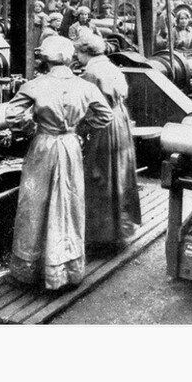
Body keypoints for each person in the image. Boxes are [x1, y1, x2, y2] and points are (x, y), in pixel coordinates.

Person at [4, 36, 113, 291]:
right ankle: (65, 270)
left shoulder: (36, 84)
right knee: (68, 202)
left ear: (46, 58)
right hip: (70, 145)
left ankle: (30, 270)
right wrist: (81, 128)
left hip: (43, 145)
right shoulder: (84, 86)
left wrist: (31, 128)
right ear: (69, 57)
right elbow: (105, 116)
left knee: (35, 203)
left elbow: (12, 115)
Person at [75, 34, 142, 253]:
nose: (76, 57)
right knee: (119, 175)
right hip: (120, 120)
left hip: (105, 127)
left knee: (101, 176)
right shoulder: (112, 66)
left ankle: (102, 238)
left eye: (78, 53)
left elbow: (85, 104)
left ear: (86, 52)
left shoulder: (91, 72)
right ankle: (119, 232)